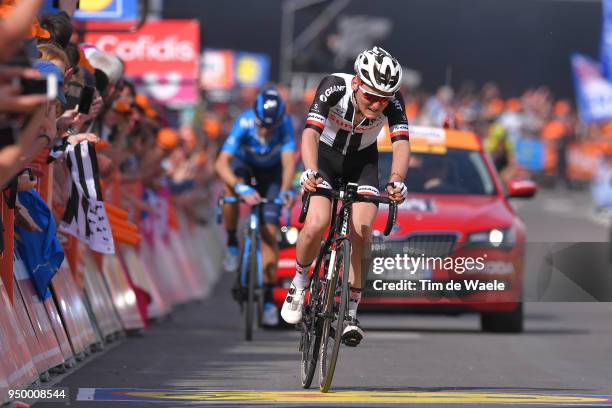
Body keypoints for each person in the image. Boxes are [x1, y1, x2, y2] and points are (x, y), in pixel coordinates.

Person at [280, 46, 410, 346]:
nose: (377, 105)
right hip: (324, 158)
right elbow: (310, 133)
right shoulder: (334, 86)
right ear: (356, 83)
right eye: (371, 97)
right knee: (317, 222)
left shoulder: (392, 99)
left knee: (363, 232)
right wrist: (310, 171)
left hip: (362, 162)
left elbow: (401, 143)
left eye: (384, 99)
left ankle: (351, 310)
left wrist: (396, 180)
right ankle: (299, 283)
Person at [215, 88, 296, 326]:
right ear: (255, 116)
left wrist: (284, 191)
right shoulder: (244, 121)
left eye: (270, 126)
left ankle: (269, 299)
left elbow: (289, 162)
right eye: (261, 124)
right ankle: (232, 242)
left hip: (271, 173)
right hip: (244, 166)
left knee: (270, 232)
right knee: (230, 189)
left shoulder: (285, 125)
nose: (264, 130)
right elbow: (221, 163)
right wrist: (241, 189)